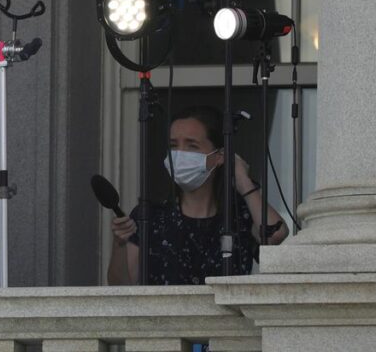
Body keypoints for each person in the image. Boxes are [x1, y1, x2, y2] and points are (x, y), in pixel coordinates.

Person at [107, 105, 289, 285]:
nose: (180, 154)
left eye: (191, 145)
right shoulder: (150, 217)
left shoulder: (239, 216)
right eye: (173, 145)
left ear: (219, 156)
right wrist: (119, 245)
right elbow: (121, 287)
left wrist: (244, 183)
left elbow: (275, 234)